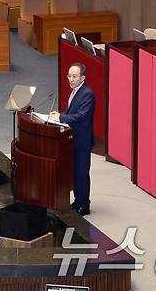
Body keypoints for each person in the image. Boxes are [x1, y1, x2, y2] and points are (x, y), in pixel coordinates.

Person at [49, 62, 95, 216]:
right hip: (72, 139)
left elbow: (81, 116)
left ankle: (84, 205)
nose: (71, 79)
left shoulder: (87, 93)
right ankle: (77, 201)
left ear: (82, 77)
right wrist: (60, 115)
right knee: (75, 172)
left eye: (74, 76)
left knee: (81, 173)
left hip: (82, 141)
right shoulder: (75, 91)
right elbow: (72, 111)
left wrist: (61, 117)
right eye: (69, 75)